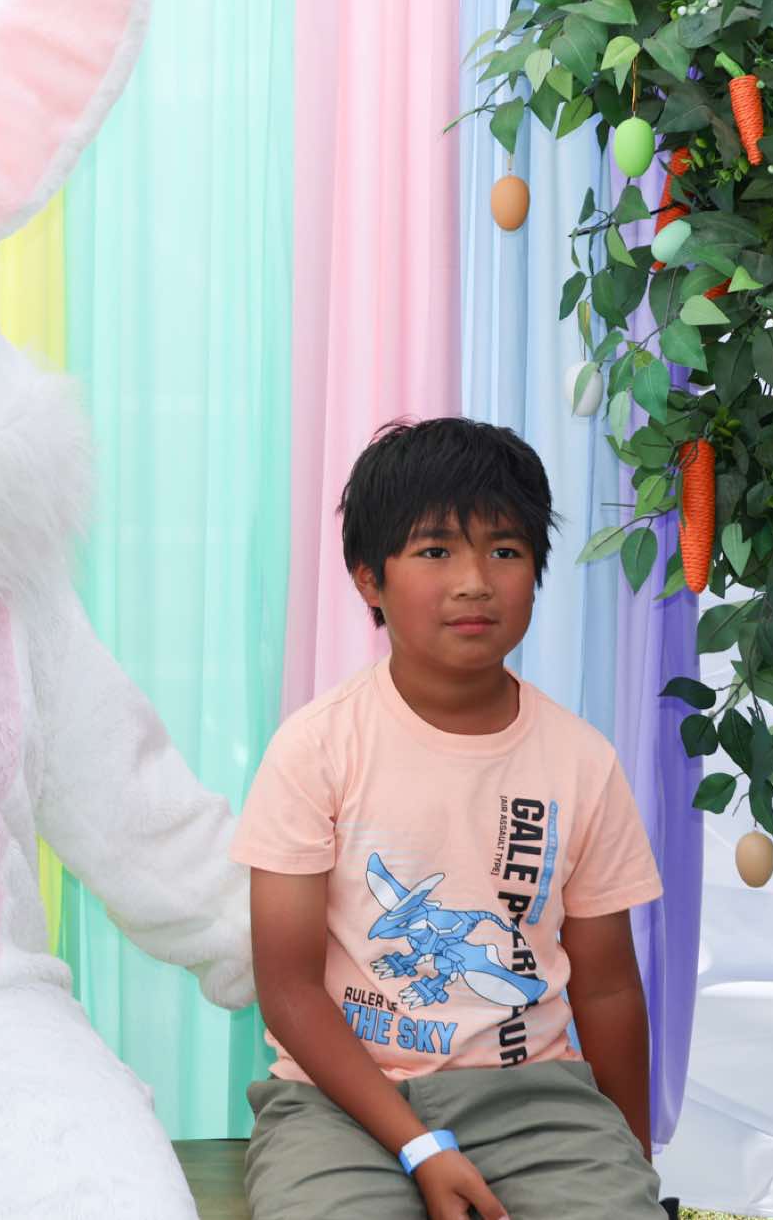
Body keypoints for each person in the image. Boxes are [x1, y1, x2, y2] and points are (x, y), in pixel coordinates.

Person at [235, 418, 666, 1219]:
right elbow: (288, 986)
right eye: (435, 551)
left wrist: (630, 1165)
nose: (475, 581)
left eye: (504, 550)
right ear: (370, 579)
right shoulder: (315, 748)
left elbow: (608, 987)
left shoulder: (582, 760)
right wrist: (419, 1144)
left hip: (538, 1102)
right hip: (339, 1103)